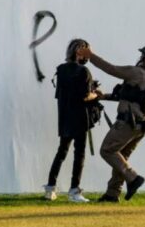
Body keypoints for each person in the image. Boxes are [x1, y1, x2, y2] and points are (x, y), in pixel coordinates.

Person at [76, 44, 145, 202]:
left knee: (107, 151)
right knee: (121, 156)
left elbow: (111, 69)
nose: (142, 58)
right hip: (141, 125)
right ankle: (112, 194)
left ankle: (134, 178)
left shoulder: (136, 72)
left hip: (127, 123)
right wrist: (102, 96)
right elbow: (130, 98)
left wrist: (91, 55)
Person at [43, 39, 102, 202]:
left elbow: (59, 95)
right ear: (80, 52)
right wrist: (96, 94)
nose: (88, 56)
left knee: (61, 152)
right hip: (80, 118)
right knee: (79, 154)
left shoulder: (60, 70)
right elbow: (85, 96)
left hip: (64, 117)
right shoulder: (84, 71)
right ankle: (74, 191)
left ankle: (50, 188)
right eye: (87, 52)